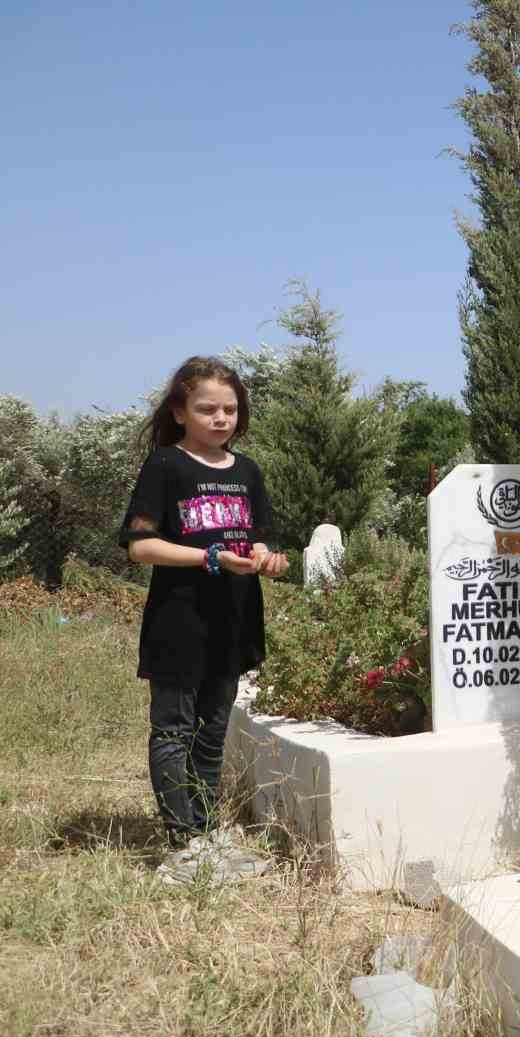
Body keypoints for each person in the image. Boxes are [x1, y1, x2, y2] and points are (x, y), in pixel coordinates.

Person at [119, 357, 289, 874]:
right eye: (207, 408)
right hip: (179, 622)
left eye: (230, 409)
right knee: (173, 729)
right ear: (179, 411)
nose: (221, 418)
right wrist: (209, 557)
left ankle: (208, 830)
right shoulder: (166, 467)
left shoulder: (246, 471)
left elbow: (259, 538)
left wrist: (268, 560)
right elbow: (140, 546)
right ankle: (183, 839)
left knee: (212, 730)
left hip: (232, 623)